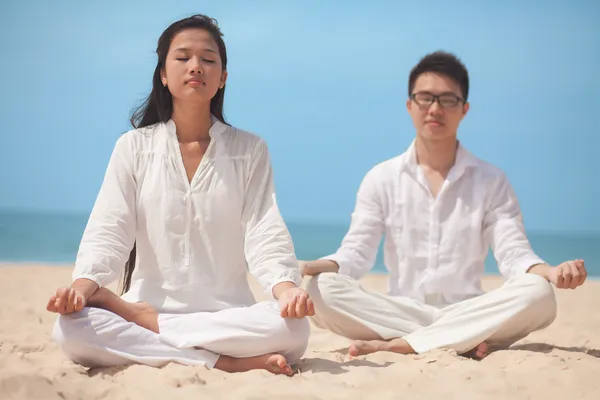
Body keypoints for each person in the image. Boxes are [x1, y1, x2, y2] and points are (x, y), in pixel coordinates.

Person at [47, 14, 313, 376]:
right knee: (70, 329)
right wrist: (82, 287)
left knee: (294, 329)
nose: (195, 67)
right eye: (183, 57)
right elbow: (111, 227)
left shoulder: (249, 149)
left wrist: (286, 290)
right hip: (160, 307)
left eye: (208, 59)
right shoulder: (133, 148)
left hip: (226, 315)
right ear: (162, 74)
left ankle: (151, 325)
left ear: (222, 78)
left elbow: (263, 228)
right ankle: (221, 361)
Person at [300, 51, 587, 360]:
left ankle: (408, 343)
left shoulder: (491, 180)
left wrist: (552, 272)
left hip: (469, 308)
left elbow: (514, 253)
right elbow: (356, 253)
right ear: (409, 105)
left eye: (447, 100)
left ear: (464, 109)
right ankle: (454, 338)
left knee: (540, 294)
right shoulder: (381, 178)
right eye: (425, 98)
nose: (435, 108)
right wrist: (311, 266)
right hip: (402, 310)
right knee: (319, 289)